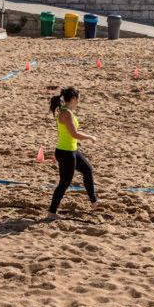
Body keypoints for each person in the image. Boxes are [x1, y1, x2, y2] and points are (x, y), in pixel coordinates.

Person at [47, 87, 98, 220]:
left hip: (71, 150)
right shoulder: (66, 113)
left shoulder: (68, 111)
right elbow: (74, 133)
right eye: (78, 99)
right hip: (66, 152)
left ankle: (94, 201)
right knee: (64, 183)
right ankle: (51, 212)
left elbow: (63, 134)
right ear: (74, 99)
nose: (79, 101)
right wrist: (89, 137)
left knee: (87, 169)